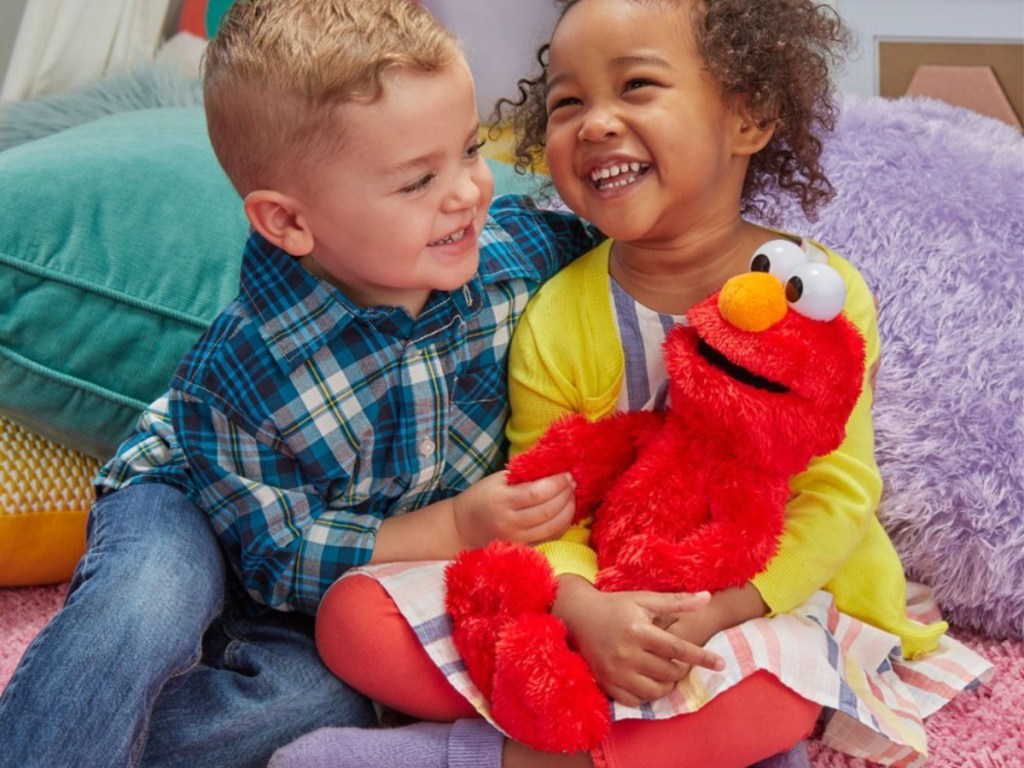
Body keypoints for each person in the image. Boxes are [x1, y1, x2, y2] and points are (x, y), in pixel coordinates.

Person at [269, 1, 957, 767]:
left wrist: (717, 612)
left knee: (786, 695)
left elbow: (836, 495)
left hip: (761, 597)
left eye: (636, 86)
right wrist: (585, 608)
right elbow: (548, 503)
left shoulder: (818, 295)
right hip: (593, 595)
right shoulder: (557, 316)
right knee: (353, 619)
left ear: (749, 116)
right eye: (568, 102)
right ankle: (615, 733)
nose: (595, 123)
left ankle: (518, 757)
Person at [0, 1, 616, 766]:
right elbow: (282, 553)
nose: (466, 192)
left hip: (342, 563)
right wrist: (458, 528)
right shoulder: (244, 367)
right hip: (198, 504)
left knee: (322, 699)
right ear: (290, 224)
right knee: (150, 604)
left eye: (467, 150)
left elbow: (629, 259)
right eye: (418, 180)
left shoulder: (515, 261)